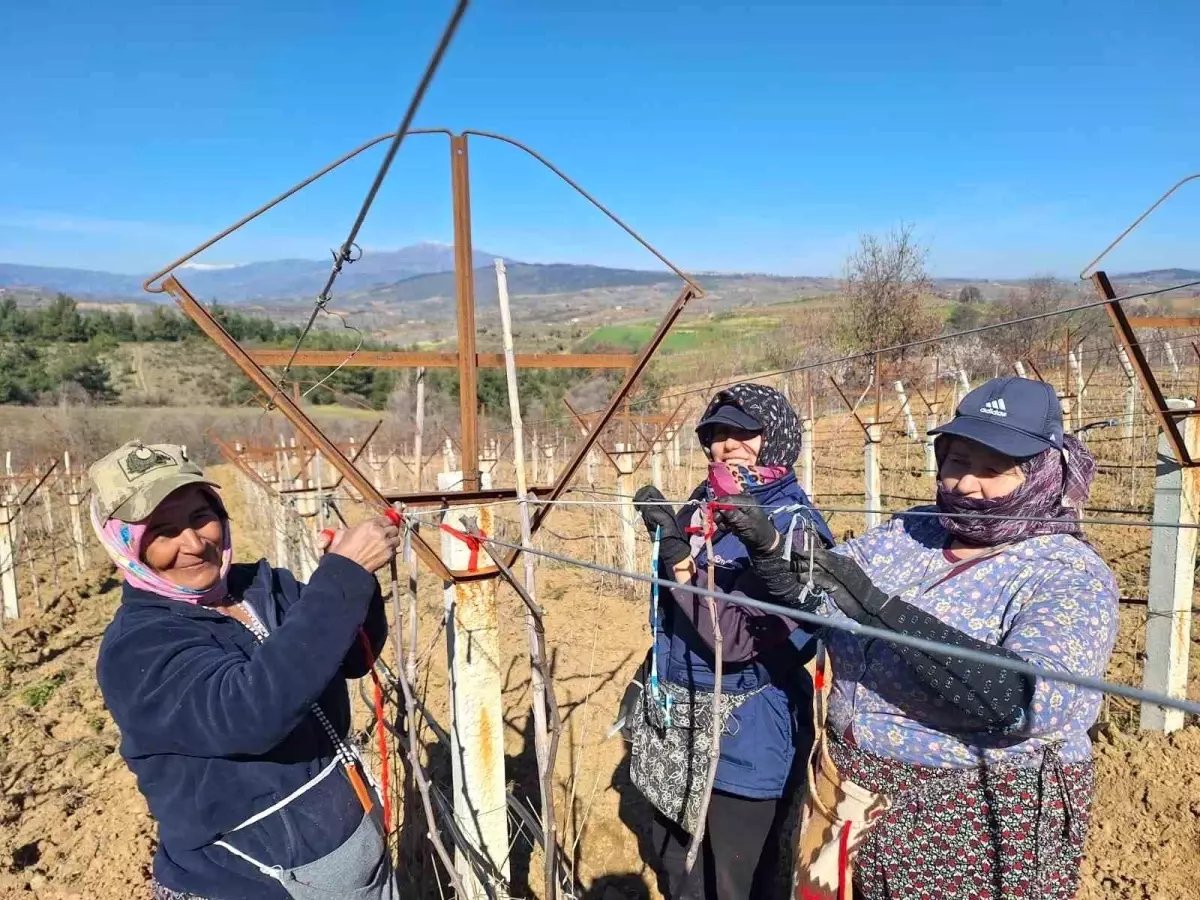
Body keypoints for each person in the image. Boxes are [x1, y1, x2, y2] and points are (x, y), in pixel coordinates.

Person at [716, 377, 1118, 900]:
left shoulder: (1065, 572)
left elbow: (1035, 702)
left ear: (1042, 473)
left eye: (993, 469)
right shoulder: (915, 532)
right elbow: (823, 593)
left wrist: (883, 613)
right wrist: (770, 547)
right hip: (851, 794)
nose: (966, 483)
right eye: (956, 461)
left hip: (968, 816)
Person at [88, 441, 401, 900]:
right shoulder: (138, 647)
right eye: (163, 531)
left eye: (200, 517)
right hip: (246, 883)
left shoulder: (260, 585)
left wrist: (356, 584)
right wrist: (341, 577)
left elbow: (354, 658)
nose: (193, 544)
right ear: (125, 544)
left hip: (351, 864)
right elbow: (251, 712)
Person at [624, 383, 834, 899]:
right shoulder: (701, 506)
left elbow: (737, 641)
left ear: (778, 438)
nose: (726, 444)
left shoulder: (793, 529)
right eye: (716, 434)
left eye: (744, 432)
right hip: (679, 724)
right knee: (678, 867)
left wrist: (678, 562)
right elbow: (671, 618)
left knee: (734, 882)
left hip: (746, 736)